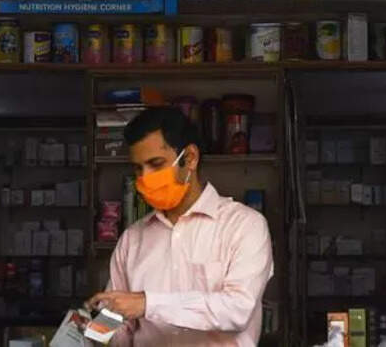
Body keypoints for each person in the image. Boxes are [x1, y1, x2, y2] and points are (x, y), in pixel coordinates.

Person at [86, 107, 273, 347]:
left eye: (156, 164)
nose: (145, 178)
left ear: (190, 158)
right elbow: (118, 322)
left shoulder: (244, 226)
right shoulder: (133, 238)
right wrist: (94, 329)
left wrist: (147, 304)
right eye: (138, 168)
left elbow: (237, 311)